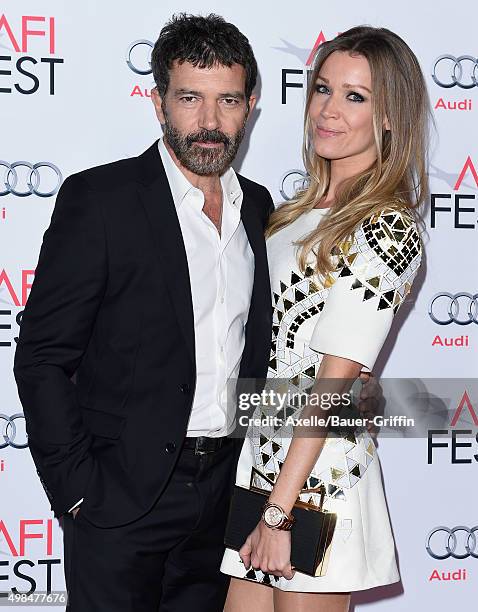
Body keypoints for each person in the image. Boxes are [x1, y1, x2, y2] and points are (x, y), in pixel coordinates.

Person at [13, 13, 273, 612]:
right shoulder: (100, 201)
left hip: (223, 502)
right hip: (119, 500)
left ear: (250, 106)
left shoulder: (258, 208)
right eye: (189, 98)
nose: (209, 123)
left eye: (227, 100)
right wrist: (77, 491)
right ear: (159, 103)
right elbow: (43, 358)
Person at [222, 26, 429, 612]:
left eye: (355, 96)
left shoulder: (387, 224)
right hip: (264, 461)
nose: (328, 110)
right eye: (322, 88)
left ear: (390, 117)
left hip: (317, 480)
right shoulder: (291, 214)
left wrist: (278, 512)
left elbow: (335, 383)